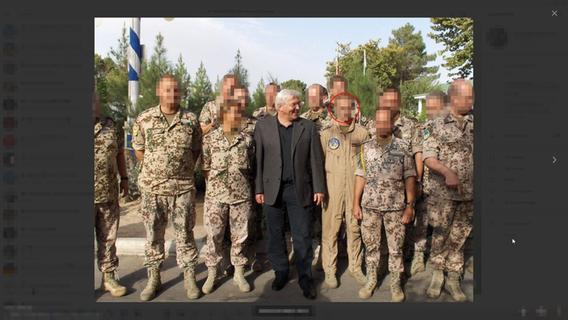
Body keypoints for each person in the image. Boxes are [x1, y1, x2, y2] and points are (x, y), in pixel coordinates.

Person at [132, 75, 203, 301]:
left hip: (182, 188)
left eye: (176, 89)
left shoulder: (191, 120)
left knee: (185, 234)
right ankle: (154, 277)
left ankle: (190, 276)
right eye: (167, 90)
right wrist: (156, 171)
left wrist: (180, 170)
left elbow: (195, 150)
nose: (172, 93)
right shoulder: (144, 119)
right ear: (158, 92)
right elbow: (139, 150)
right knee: (153, 235)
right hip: (153, 189)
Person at [253, 89, 326, 300]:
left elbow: (316, 160)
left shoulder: (308, 127)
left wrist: (319, 187)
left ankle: (305, 278)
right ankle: (281, 272)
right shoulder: (263, 126)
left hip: (299, 189)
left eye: (298, 104)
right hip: (272, 190)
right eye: (294, 104)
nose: (298, 107)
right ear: (280, 106)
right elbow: (258, 161)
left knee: (302, 236)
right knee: (275, 235)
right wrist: (258, 188)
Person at [353, 109, 416, 302]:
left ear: (392, 124)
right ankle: (371, 280)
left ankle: (395, 284)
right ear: (374, 123)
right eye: (378, 122)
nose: (382, 125)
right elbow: (360, 176)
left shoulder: (403, 147)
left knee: (396, 248)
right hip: (370, 207)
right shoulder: (365, 148)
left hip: (395, 208)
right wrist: (356, 203)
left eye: (385, 122)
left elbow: (410, 177)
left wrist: (409, 205)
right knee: (371, 247)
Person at [423, 79, 474, 302]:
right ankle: (437, 273)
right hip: (443, 195)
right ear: (454, 98)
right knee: (441, 235)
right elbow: (428, 158)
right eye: (468, 97)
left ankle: (453, 276)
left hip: (469, 194)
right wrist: (447, 172)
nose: (472, 101)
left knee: (460, 236)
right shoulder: (436, 124)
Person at [201, 99, 255, 294]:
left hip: (241, 196)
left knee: (240, 237)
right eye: (231, 113)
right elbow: (206, 168)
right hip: (216, 197)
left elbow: (253, 166)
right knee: (214, 236)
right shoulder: (210, 139)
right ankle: (212, 273)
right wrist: (218, 186)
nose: (235, 117)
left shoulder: (247, 139)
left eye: (237, 114)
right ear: (223, 116)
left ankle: (239, 273)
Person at [320, 94, 369, 288]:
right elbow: (319, 163)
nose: (344, 111)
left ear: (353, 109)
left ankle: (355, 267)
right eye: (340, 108)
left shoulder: (362, 134)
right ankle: (330, 270)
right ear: (334, 110)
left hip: (355, 191)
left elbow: (367, 165)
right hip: (332, 191)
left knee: (354, 229)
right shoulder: (326, 135)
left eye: (348, 107)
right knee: (330, 231)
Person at [93, 89, 128, 297]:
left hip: (108, 193)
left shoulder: (111, 126)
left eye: (94, 99)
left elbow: (120, 154)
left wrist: (124, 178)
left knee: (108, 239)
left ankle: (109, 278)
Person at [409, 91, 447, 276]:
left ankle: (439, 261)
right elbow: (418, 155)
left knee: (443, 223)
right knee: (422, 222)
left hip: (445, 187)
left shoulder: (451, 128)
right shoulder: (423, 129)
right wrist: (417, 181)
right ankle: (418, 256)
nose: (430, 110)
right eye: (428, 106)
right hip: (426, 184)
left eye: (434, 106)